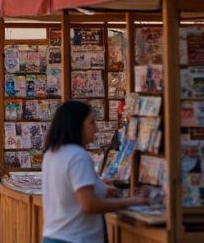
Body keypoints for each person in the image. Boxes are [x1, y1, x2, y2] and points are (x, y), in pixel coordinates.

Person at [42, 100, 145, 243]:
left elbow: (70, 192)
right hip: (76, 238)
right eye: (91, 123)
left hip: (53, 237)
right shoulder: (78, 156)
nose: (96, 129)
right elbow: (89, 204)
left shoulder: (52, 154)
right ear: (76, 124)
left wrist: (102, 189)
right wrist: (132, 201)